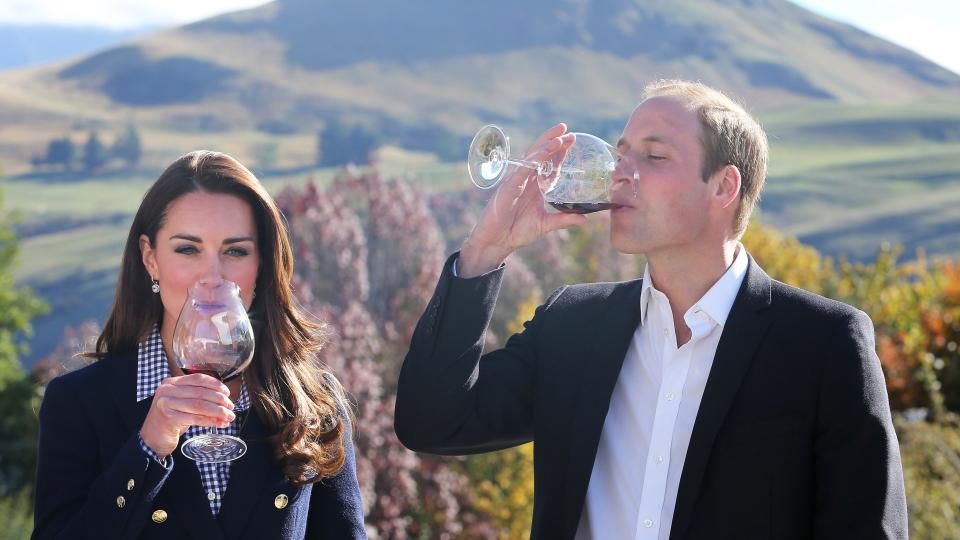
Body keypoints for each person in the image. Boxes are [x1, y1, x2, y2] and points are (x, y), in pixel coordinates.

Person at [395, 80, 908, 539]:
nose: (621, 173)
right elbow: (432, 422)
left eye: (654, 157)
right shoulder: (572, 324)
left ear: (723, 187)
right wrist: (486, 250)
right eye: (621, 155)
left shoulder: (821, 344)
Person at [33, 151, 366, 539]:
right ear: (150, 258)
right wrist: (147, 450)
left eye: (235, 251)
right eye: (188, 249)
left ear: (262, 263)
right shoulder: (76, 402)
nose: (213, 276)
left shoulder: (313, 400)